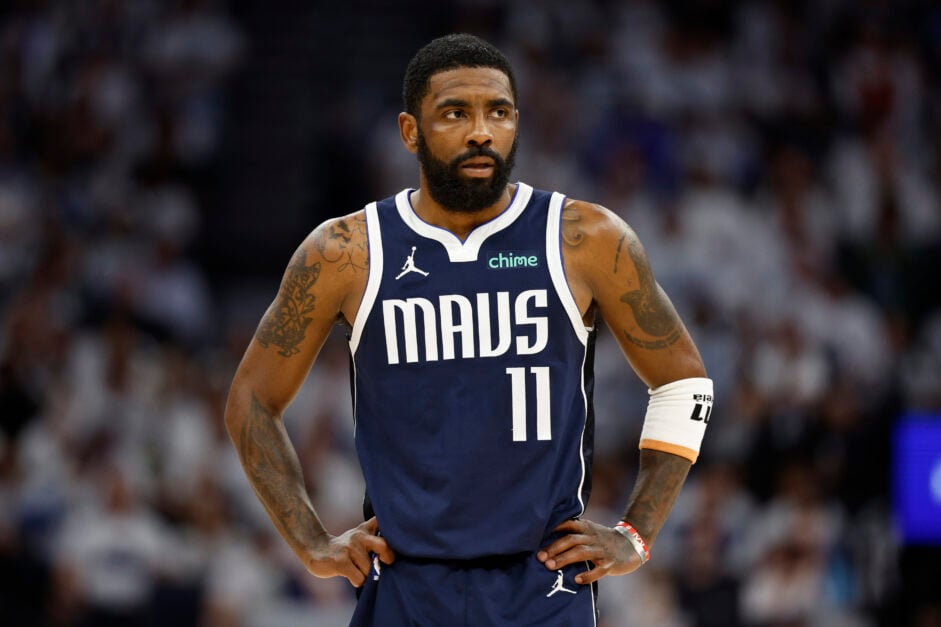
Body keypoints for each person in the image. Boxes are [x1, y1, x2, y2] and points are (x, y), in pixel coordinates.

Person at [224, 33, 713, 626]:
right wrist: (310, 543)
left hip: (542, 584)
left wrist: (636, 534)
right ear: (410, 132)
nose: (481, 131)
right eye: (456, 113)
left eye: (498, 113)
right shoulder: (345, 251)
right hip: (406, 582)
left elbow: (685, 384)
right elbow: (252, 400)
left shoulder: (585, 238)